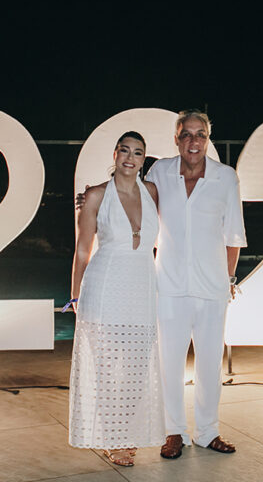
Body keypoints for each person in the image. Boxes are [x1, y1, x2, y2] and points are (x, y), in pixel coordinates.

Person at [145, 110, 247, 459]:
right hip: (169, 285)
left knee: (209, 364)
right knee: (168, 364)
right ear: (176, 139)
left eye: (200, 134)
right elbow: (137, 206)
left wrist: (228, 280)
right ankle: (174, 432)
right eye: (186, 134)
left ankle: (208, 432)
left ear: (208, 139)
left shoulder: (225, 177)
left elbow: (233, 235)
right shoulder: (159, 172)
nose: (194, 141)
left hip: (212, 287)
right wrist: (95, 197)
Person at [68, 131, 165, 467]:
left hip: (142, 288)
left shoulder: (152, 192)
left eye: (137, 152)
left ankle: (127, 430)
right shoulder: (96, 195)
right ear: (114, 154)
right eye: (124, 150)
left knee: (137, 369)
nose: (130, 158)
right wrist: (75, 296)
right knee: (108, 368)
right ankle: (114, 438)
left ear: (143, 159)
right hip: (105, 286)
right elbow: (82, 250)